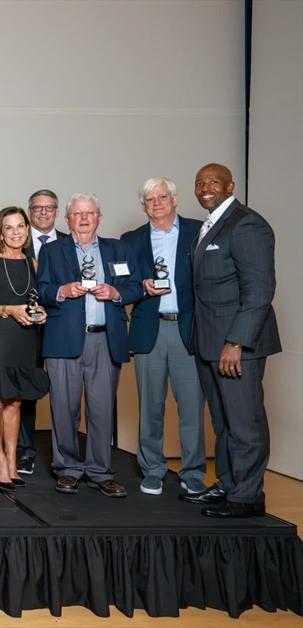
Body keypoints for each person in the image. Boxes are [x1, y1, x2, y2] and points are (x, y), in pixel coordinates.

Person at [182, 163, 280, 518]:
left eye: (213, 181)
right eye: (199, 183)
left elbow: (259, 291)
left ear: (230, 186)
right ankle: (229, 484)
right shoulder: (209, 225)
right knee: (223, 424)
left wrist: (237, 342)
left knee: (245, 424)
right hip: (209, 343)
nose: (205, 187)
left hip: (236, 347)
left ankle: (249, 497)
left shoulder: (245, 223)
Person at [37, 192, 141, 498]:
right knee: (64, 409)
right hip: (64, 339)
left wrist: (116, 292)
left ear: (99, 218)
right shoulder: (52, 251)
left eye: (90, 213)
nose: (84, 218)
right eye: (78, 214)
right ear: (67, 220)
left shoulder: (119, 249)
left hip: (105, 339)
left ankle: (100, 471)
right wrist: (61, 291)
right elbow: (41, 290)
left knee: (101, 410)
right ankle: (67, 469)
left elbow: (136, 286)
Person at [119, 177, 206, 496]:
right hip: (148, 329)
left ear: (175, 199)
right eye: (149, 198)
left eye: (162, 196)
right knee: (150, 406)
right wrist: (141, 285)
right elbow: (122, 282)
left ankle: (194, 472)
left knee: (192, 408)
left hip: (188, 329)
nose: (157, 202)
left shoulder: (199, 230)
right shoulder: (130, 239)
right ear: (142, 205)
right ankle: (153, 469)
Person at [0, 207, 50, 491]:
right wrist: (9, 310)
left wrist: (39, 311)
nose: (15, 233)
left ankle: (13, 462)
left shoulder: (34, 265)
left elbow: (34, 299)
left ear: (27, 231)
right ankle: (0, 460)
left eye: (20, 227)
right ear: (0, 234)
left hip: (27, 337)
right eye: (9, 228)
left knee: (16, 401)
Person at [17, 189, 67, 475]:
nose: (43, 213)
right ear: (29, 212)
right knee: (26, 389)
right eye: (37, 208)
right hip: (25, 328)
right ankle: (25, 452)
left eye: (49, 208)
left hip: (61, 326)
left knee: (64, 392)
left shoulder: (71, 244)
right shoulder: (15, 243)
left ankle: (65, 456)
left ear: (57, 212)